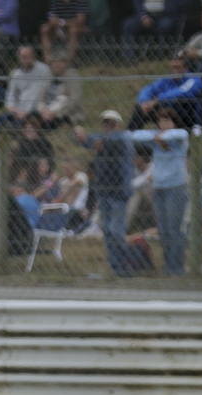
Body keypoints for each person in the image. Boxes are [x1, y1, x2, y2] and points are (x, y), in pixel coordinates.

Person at [129, 108, 190, 276]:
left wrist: (160, 136)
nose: (163, 125)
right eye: (161, 122)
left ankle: (176, 269)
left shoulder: (180, 138)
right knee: (163, 230)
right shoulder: (154, 140)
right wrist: (156, 136)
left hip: (176, 189)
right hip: (159, 190)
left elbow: (179, 134)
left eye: (167, 121)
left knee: (174, 230)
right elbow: (135, 135)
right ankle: (168, 267)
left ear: (174, 123)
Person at [75, 109, 136, 277]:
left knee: (116, 231)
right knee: (108, 232)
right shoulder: (102, 140)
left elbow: (107, 142)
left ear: (119, 125)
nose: (109, 126)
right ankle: (115, 268)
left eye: (112, 123)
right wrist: (81, 135)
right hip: (105, 193)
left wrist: (88, 139)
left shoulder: (123, 139)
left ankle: (126, 267)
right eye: (106, 123)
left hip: (119, 193)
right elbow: (83, 141)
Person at [128, 57, 202, 131]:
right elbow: (149, 89)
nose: (174, 70)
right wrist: (144, 102)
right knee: (140, 107)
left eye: (178, 67)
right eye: (172, 67)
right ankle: (130, 133)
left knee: (173, 101)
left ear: (185, 68)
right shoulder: (166, 79)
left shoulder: (194, 79)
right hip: (164, 108)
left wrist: (157, 100)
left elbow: (181, 92)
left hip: (184, 113)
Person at [0, 46, 52, 128]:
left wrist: (25, 112)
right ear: (19, 59)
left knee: (20, 123)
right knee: (0, 119)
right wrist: (12, 108)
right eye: (23, 57)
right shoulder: (16, 74)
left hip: (36, 108)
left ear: (33, 56)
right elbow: (11, 94)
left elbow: (39, 94)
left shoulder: (43, 69)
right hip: (19, 109)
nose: (26, 59)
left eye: (28, 56)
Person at [122, 0, 189, 61]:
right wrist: (143, 16)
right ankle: (129, 59)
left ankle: (161, 58)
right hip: (146, 16)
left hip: (168, 15)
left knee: (165, 26)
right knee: (128, 25)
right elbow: (137, 2)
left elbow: (183, 5)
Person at [38, 56, 83, 128]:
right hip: (46, 110)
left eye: (59, 62)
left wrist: (55, 113)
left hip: (63, 113)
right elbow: (40, 98)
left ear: (65, 63)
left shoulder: (72, 76)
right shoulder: (48, 76)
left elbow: (74, 100)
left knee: (63, 99)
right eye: (54, 62)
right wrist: (43, 110)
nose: (56, 65)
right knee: (32, 117)